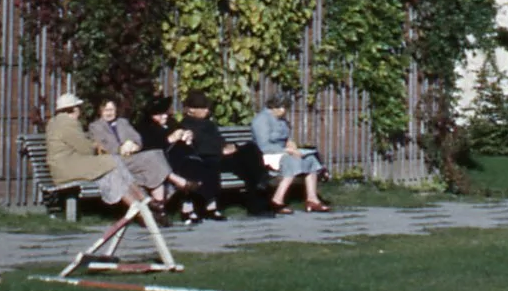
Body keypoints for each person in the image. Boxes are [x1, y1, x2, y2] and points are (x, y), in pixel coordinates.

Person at [165, 91, 268, 219]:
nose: (207, 110)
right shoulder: (186, 125)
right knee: (228, 164)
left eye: (207, 107)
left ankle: (261, 183)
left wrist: (231, 147)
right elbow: (197, 148)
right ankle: (257, 190)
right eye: (203, 108)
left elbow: (219, 140)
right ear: (191, 109)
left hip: (221, 156)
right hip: (207, 159)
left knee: (250, 150)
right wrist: (221, 150)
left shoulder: (209, 124)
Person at [43, 92, 145, 210]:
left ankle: (137, 206)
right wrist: (95, 145)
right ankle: (141, 199)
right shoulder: (68, 123)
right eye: (79, 108)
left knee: (112, 170)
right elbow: (86, 150)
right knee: (113, 160)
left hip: (64, 167)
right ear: (75, 109)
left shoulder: (55, 122)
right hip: (67, 168)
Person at [88, 96, 175, 207]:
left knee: (156, 154)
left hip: (131, 158)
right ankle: (176, 182)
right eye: (106, 110)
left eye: (112, 110)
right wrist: (120, 149)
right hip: (115, 162)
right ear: (100, 111)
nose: (109, 113)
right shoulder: (95, 127)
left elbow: (137, 138)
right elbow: (101, 147)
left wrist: (134, 145)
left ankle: (160, 206)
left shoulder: (123, 122)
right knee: (154, 166)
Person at [252, 94, 328, 212]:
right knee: (291, 161)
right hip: (267, 154)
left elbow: (285, 137)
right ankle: (277, 200)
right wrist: (286, 151)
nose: (285, 111)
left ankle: (312, 199)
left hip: (283, 152)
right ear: (274, 107)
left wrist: (289, 143)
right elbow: (263, 145)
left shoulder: (281, 120)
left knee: (310, 159)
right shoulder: (261, 120)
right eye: (283, 108)